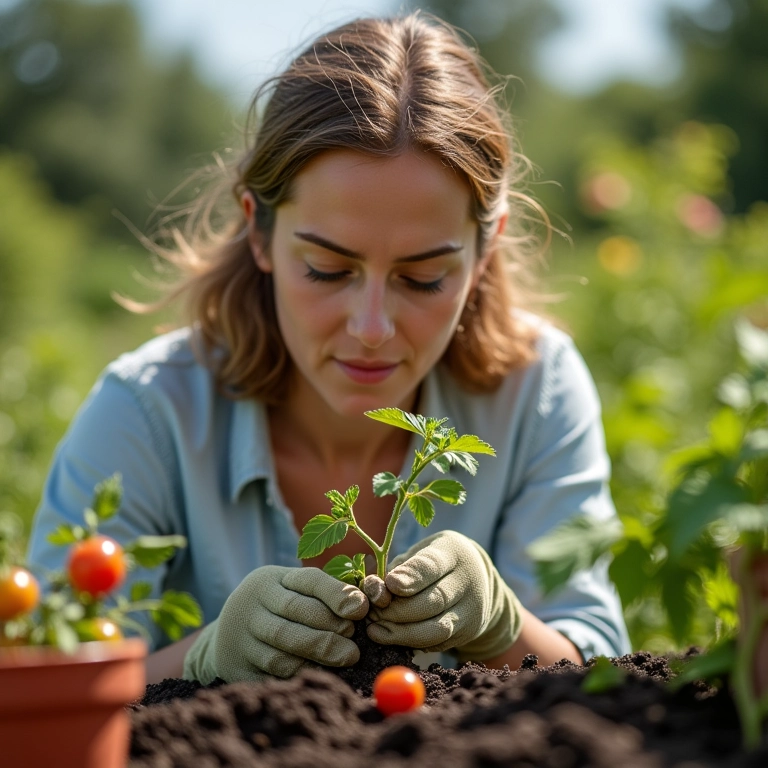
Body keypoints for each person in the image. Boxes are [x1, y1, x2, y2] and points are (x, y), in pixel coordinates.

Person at [27, 11, 631, 686]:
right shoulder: (148, 414)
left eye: (424, 277)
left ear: (485, 250)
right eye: (327, 269)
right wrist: (202, 660)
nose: (371, 325)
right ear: (259, 231)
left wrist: (502, 623)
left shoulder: (536, 393)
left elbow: (607, 673)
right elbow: (51, 688)